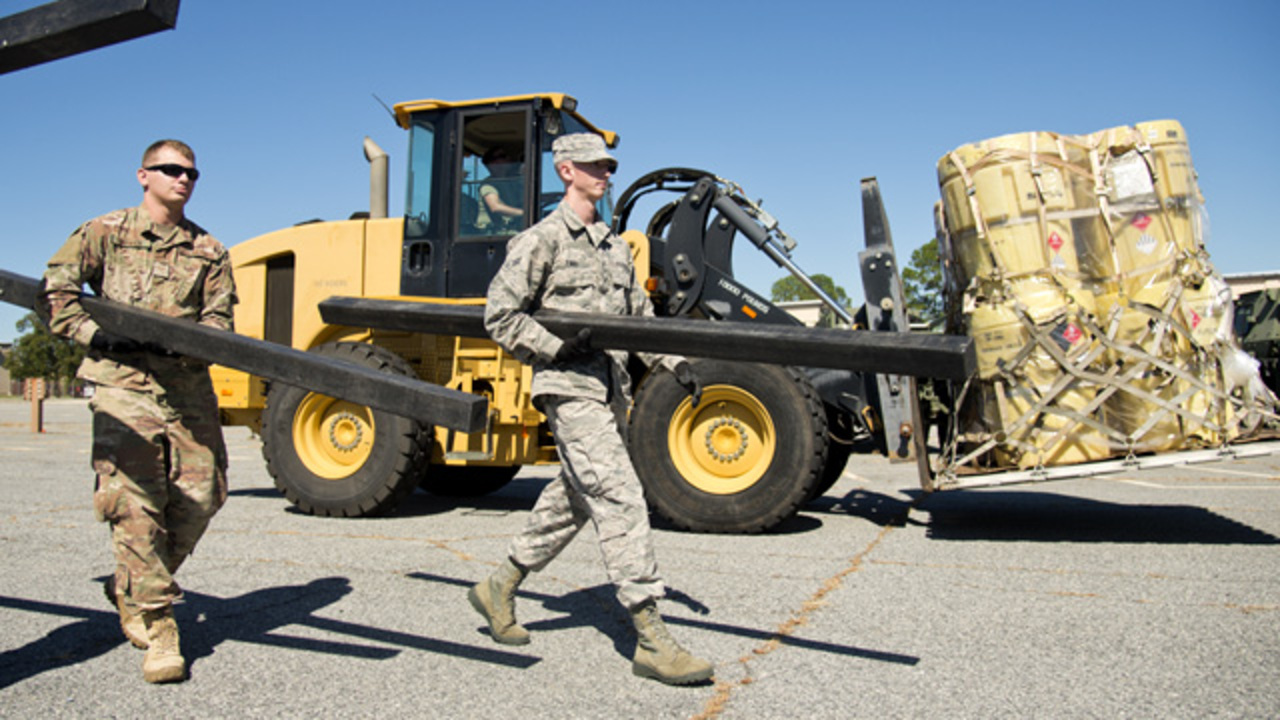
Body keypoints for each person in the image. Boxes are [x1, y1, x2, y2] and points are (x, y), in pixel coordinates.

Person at [472, 133, 713, 686]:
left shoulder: (614, 247)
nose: (605, 174)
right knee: (620, 493)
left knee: (575, 498)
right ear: (566, 171)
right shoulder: (541, 240)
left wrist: (674, 361)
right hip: (567, 387)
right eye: (593, 166)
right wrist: (557, 347)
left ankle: (498, 587)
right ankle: (651, 636)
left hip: (610, 392)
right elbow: (499, 315)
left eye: (607, 166)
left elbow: (638, 319)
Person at [39, 139, 236, 684]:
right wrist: (97, 336)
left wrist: (196, 344)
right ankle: (159, 623)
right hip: (122, 384)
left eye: (192, 172)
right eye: (172, 170)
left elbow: (220, 321)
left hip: (187, 388)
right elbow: (56, 291)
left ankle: (130, 582)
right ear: (143, 175)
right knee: (134, 503)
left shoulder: (210, 250)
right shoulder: (105, 232)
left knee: (205, 494)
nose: (184, 179)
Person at [477, 146, 524, 233]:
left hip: (511, 228)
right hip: (497, 232)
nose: (509, 159)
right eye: (503, 156)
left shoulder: (510, 182)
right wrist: (525, 213)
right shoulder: (488, 184)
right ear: (493, 163)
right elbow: (495, 207)